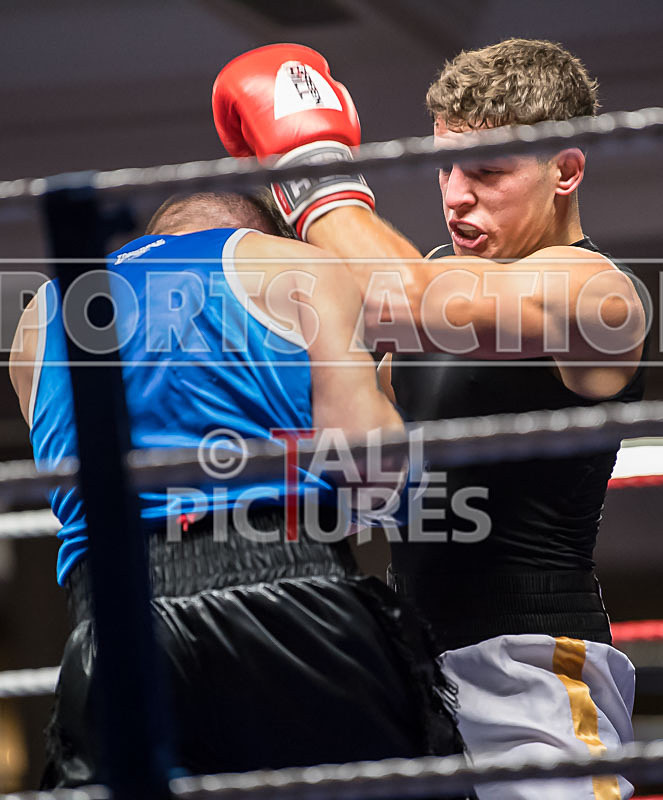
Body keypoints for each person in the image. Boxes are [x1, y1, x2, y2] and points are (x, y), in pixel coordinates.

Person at [212, 40, 649, 799]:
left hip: (533, 676)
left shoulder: (593, 291)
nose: (455, 195)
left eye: (486, 172)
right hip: (411, 672)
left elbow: (408, 300)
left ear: (564, 170)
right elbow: (366, 471)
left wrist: (312, 167)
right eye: (445, 166)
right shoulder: (426, 292)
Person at [9, 191, 462, 788]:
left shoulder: (38, 319)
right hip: (291, 598)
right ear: (267, 234)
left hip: (113, 632)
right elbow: (374, 469)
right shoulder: (293, 265)